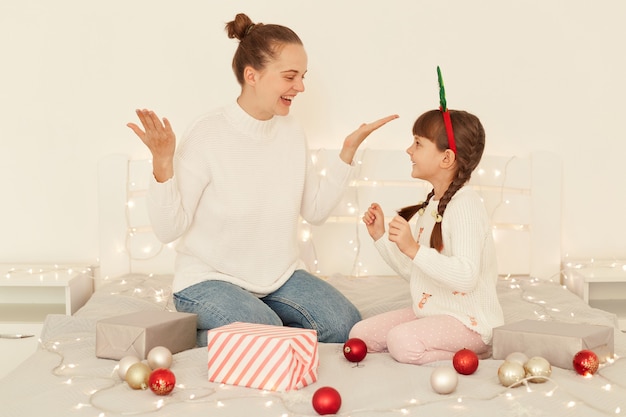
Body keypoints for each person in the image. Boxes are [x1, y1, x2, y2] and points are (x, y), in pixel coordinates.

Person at [127, 13, 397, 346]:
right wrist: (162, 162)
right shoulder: (208, 133)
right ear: (251, 75)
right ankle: (205, 334)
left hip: (279, 278)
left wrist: (347, 152)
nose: (300, 87)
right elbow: (170, 228)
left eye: (302, 76)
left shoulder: (291, 131)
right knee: (268, 333)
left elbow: (315, 211)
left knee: (345, 327)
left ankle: (246, 335)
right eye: (290, 77)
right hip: (208, 280)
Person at [349, 68, 504, 365]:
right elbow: (416, 272)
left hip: (469, 323)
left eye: (418, 143)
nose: (409, 150)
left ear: (446, 158)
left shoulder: (465, 205)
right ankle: (427, 345)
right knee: (361, 334)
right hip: (433, 311)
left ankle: (476, 354)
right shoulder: (431, 206)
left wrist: (413, 248)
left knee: (401, 341)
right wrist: (382, 238)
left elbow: (467, 277)